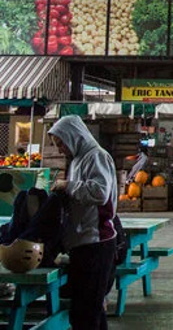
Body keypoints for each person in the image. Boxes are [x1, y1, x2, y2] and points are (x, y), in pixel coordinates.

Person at [48, 115, 118, 330]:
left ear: (73, 137)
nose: (60, 149)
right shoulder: (79, 159)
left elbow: (100, 193)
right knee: (91, 309)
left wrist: (68, 186)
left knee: (86, 312)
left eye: (61, 143)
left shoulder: (96, 156)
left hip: (95, 243)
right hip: (82, 242)